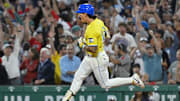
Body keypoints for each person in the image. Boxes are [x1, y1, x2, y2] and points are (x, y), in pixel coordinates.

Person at [62, 4, 144, 101]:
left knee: (105, 84)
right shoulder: (98, 21)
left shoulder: (92, 29)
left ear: (85, 14)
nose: (79, 16)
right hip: (91, 57)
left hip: (96, 57)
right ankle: (68, 97)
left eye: (80, 14)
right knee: (78, 76)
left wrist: (83, 44)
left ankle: (132, 80)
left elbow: (94, 49)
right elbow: (107, 34)